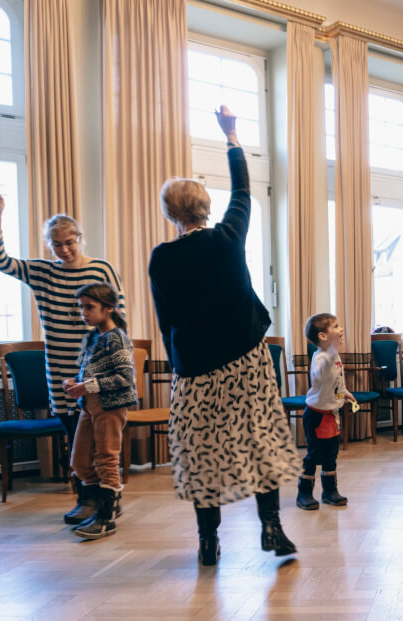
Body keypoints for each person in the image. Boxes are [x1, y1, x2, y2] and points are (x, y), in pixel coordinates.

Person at [148, 105, 299, 566]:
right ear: (205, 207)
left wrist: (181, 363)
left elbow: (164, 319)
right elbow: (243, 190)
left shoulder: (161, 257)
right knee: (261, 440)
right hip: (247, 360)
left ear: (171, 214)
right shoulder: (230, 235)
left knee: (201, 453)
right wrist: (232, 135)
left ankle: (208, 542)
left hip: (195, 368)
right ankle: (271, 525)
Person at [0, 195, 127, 523]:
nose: (64, 249)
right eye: (57, 244)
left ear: (80, 239)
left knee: (100, 441)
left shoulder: (101, 269)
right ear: (49, 246)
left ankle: (107, 499)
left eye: (69, 242)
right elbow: (0, 261)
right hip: (59, 373)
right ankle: (86, 499)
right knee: (74, 437)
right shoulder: (42, 272)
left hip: (94, 371)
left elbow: (118, 317)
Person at [62, 283, 136, 540]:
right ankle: (100, 502)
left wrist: (87, 386)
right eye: (81, 307)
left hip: (110, 407)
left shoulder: (117, 338)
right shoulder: (93, 336)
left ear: (109, 308)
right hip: (90, 406)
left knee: (106, 458)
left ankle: (106, 516)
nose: (84, 312)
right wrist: (74, 382)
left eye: (89, 307)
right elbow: (90, 371)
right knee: (79, 461)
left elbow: (124, 378)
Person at [296, 313, 354, 510]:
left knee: (331, 454)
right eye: (336, 326)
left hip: (332, 414)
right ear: (322, 336)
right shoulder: (321, 357)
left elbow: (335, 381)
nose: (341, 329)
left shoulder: (333, 355)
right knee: (314, 454)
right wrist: (330, 351)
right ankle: (304, 493)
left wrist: (345, 393)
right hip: (316, 416)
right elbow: (321, 375)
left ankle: (330, 491)